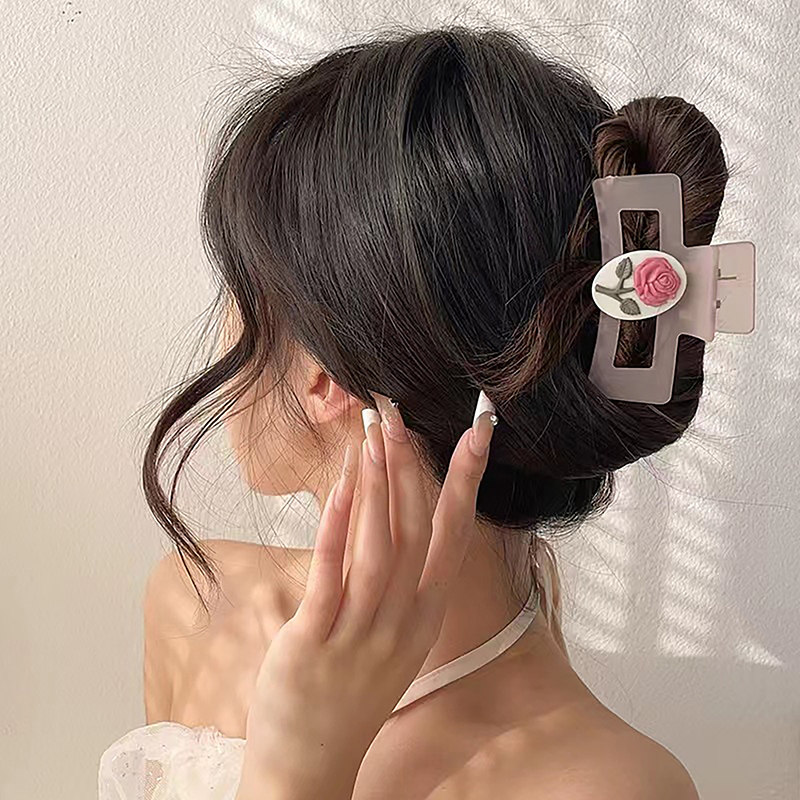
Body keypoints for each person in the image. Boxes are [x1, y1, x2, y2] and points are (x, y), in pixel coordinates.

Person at [98, 23, 722, 799]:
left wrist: (298, 775)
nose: (224, 330)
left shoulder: (606, 788)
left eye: (239, 286)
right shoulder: (197, 604)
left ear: (323, 378)